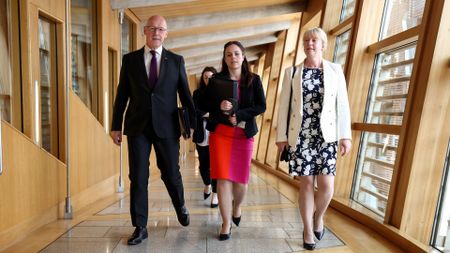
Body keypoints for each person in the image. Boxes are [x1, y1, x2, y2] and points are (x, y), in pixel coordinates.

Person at [110, 15, 196, 246]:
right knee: (138, 176)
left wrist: (192, 126)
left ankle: (180, 205)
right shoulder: (130, 60)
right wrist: (116, 125)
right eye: (152, 29)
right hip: (137, 127)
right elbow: (122, 95)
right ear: (144, 32)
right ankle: (140, 226)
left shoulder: (176, 61)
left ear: (166, 34)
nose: (156, 33)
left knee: (171, 173)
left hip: (167, 127)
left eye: (161, 29)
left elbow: (186, 96)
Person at [276, 27, 352, 251]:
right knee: (306, 184)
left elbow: (343, 106)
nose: (310, 43)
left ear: (323, 44)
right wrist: (281, 138)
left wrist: (345, 136)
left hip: (327, 137)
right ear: (303, 44)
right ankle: (308, 229)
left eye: (315, 40)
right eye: (307, 40)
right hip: (301, 136)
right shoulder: (292, 72)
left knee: (327, 186)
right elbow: (284, 107)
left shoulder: (335, 70)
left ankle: (318, 217)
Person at [202, 41, 266, 241]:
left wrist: (240, 115)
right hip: (220, 133)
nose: (233, 58)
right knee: (222, 178)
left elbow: (261, 106)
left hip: (242, 135)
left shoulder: (254, 80)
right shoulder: (216, 80)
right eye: (228, 54)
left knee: (241, 181)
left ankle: (237, 206)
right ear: (224, 58)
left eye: (237, 54)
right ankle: (226, 223)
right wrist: (219, 105)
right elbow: (204, 104)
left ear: (244, 56)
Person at [192, 66, 219, 208]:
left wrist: (208, 114)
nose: (208, 80)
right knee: (203, 165)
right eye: (205, 77)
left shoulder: (220, 93)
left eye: (211, 77)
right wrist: (208, 114)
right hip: (202, 132)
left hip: (217, 132)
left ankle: (215, 194)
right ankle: (207, 184)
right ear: (202, 79)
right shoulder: (197, 93)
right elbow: (194, 111)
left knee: (215, 166)